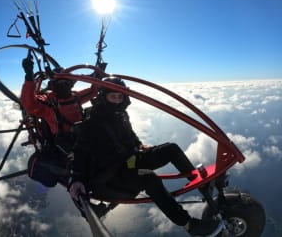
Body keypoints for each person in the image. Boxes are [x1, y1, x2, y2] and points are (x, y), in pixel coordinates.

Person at [68, 77, 224, 237]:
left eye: (119, 96)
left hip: (132, 159)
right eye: (112, 96)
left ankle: (202, 185)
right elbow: (79, 152)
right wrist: (76, 178)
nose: (116, 101)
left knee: (171, 149)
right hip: (112, 175)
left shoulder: (121, 115)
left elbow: (129, 136)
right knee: (150, 179)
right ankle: (189, 225)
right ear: (103, 97)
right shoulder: (92, 124)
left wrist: (139, 145)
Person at [20, 53, 98, 186]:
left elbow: (94, 91)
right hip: (63, 145)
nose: (62, 85)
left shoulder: (75, 97)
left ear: (70, 83)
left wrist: (99, 75)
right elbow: (29, 104)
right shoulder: (48, 102)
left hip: (84, 137)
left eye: (65, 82)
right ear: (52, 85)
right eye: (58, 83)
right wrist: (29, 77)